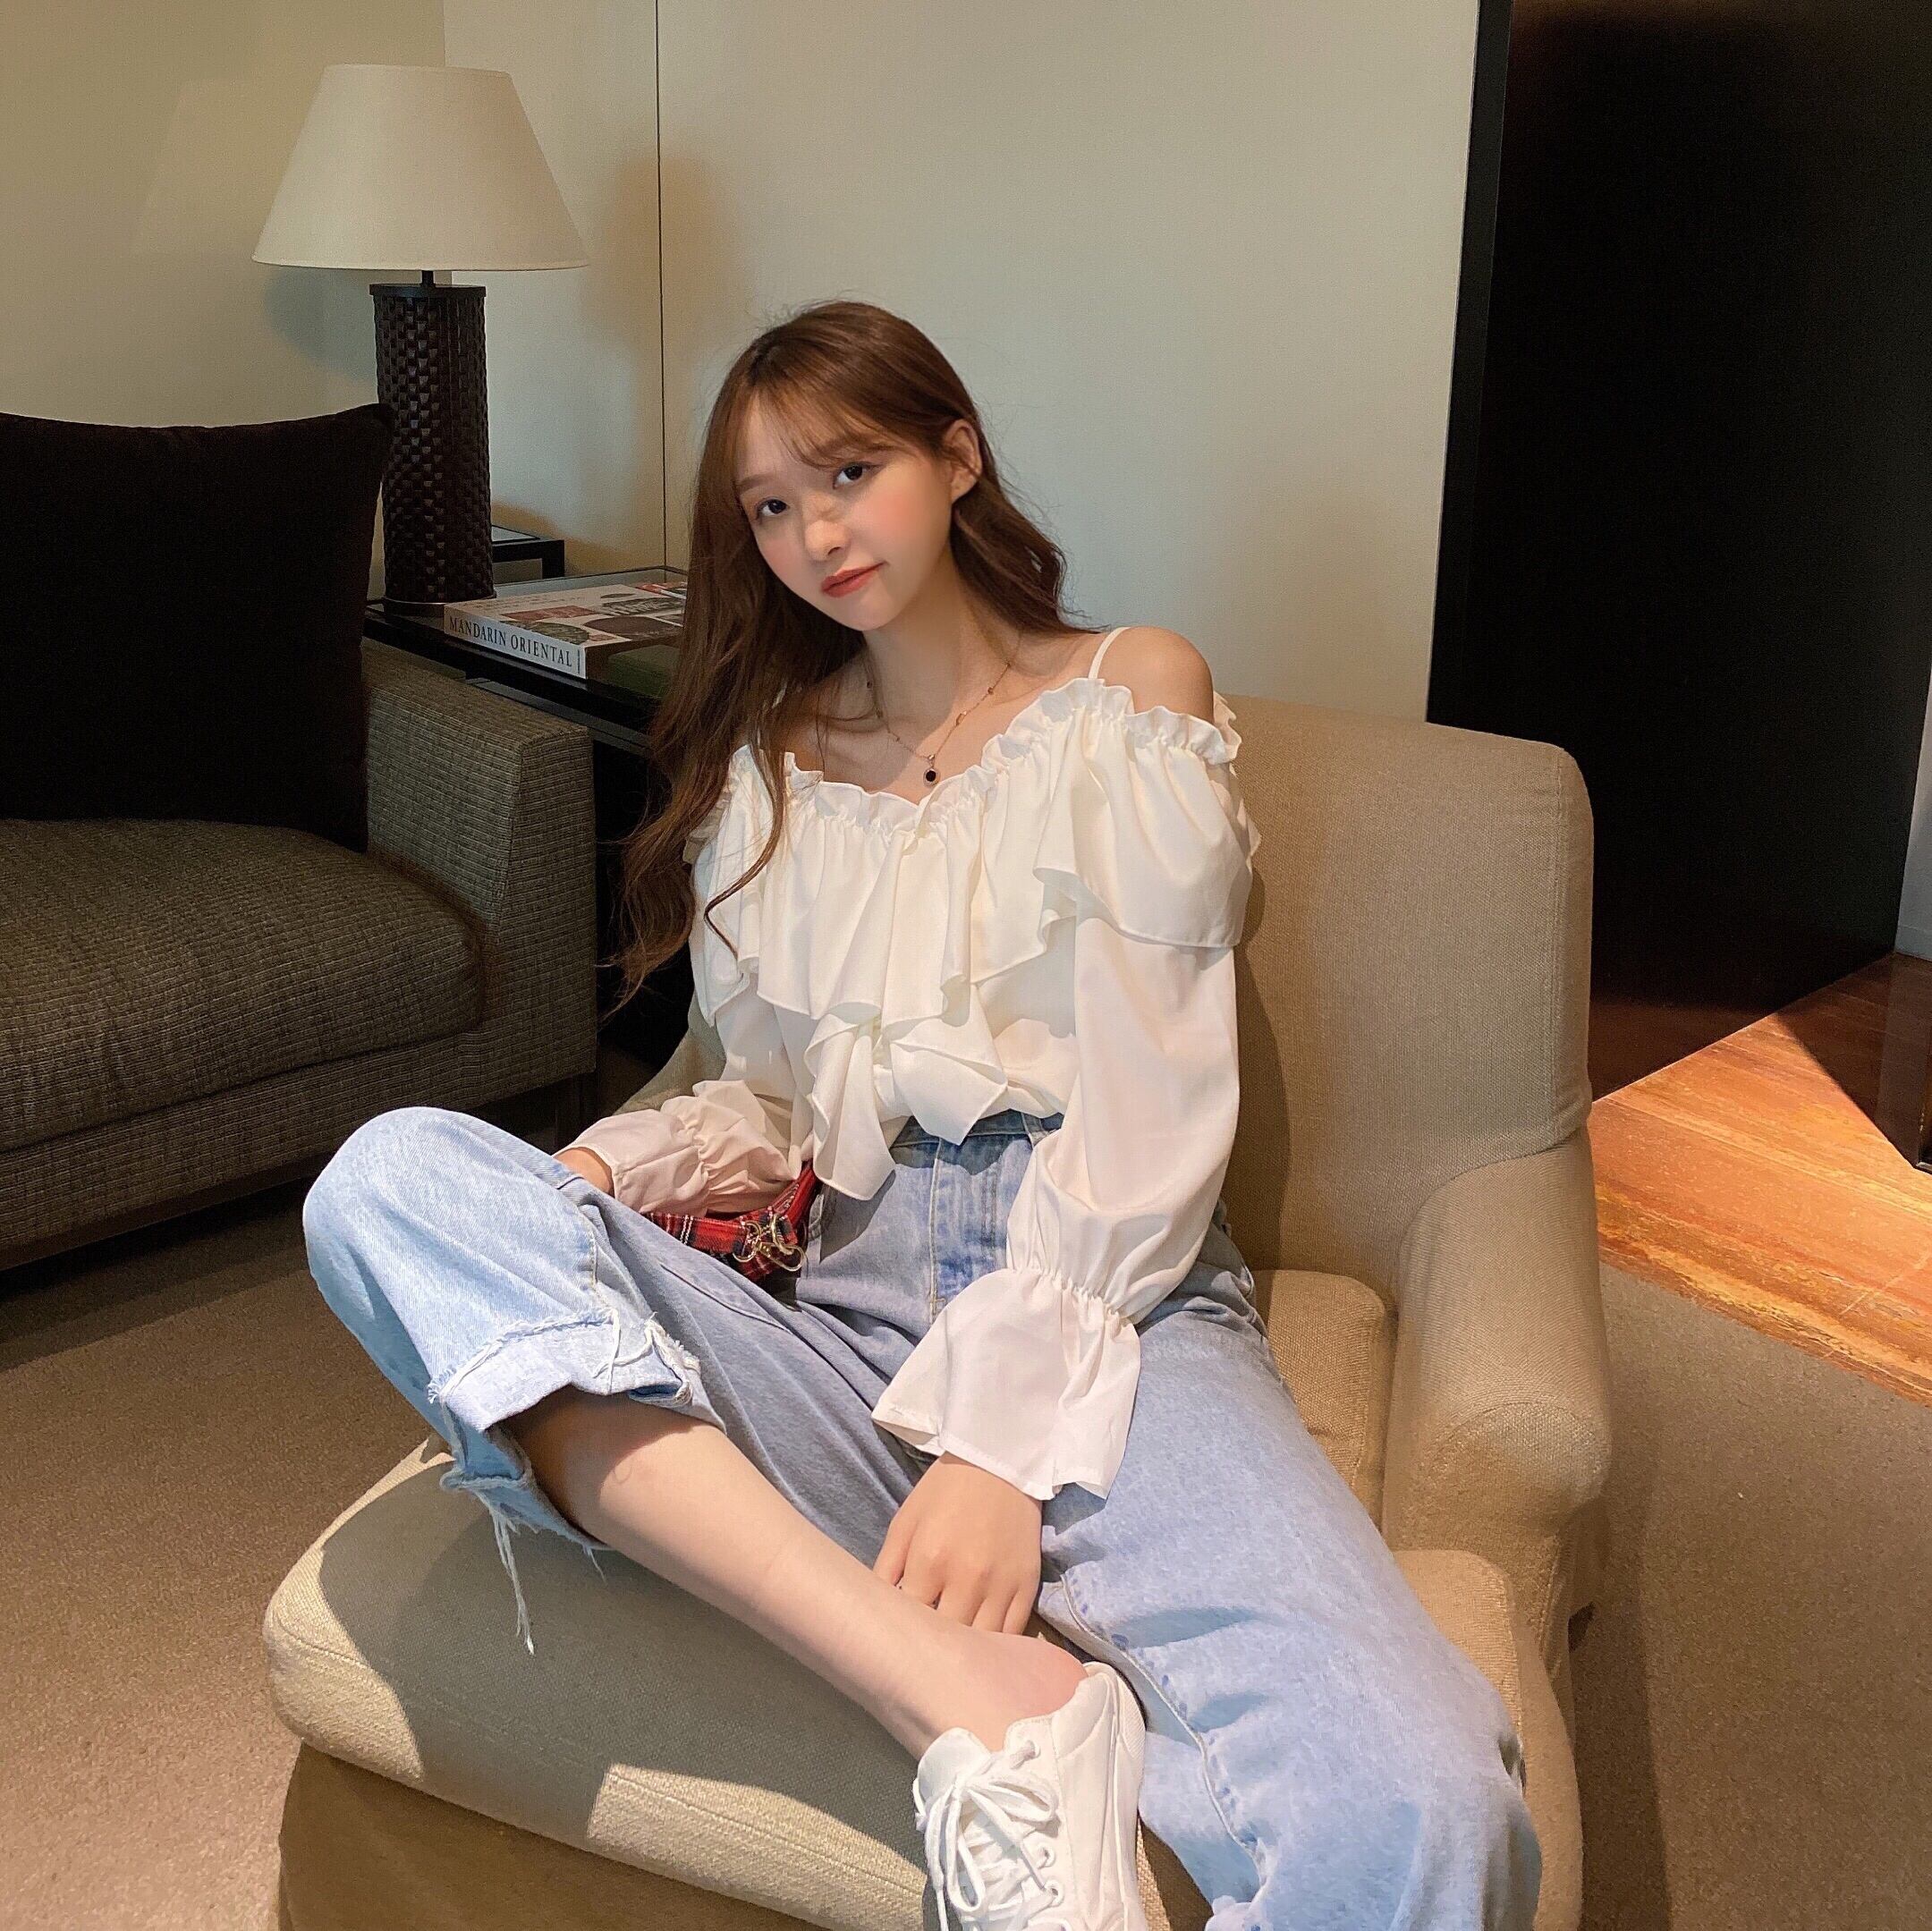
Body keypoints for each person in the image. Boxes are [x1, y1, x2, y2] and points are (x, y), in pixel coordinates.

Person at [302, 299, 1540, 1931]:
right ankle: (963, 1694)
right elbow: (770, 1099)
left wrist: (998, 1450)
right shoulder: (773, 764)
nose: (816, 534)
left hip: (1114, 1306)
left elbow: (1154, 1114)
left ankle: (995, 1683)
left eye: (850, 471)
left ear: (957, 457)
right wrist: (604, 1171)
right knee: (387, 1179)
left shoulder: (1129, 697)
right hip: (840, 1308)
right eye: (770, 506)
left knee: (1424, 1799)